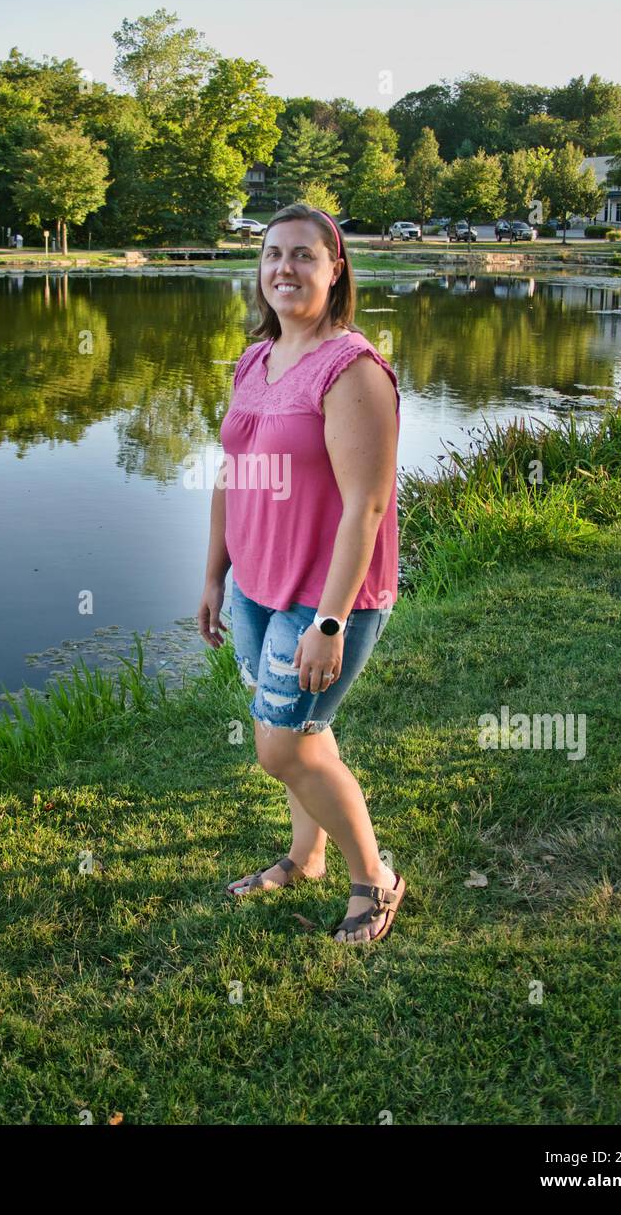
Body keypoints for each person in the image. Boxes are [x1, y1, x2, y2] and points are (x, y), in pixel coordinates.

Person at [198, 202, 405, 947]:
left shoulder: (351, 370)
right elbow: (231, 472)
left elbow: (367, 505)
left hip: (324, 597)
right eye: (271, 255)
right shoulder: (253, 361)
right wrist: (215, 574)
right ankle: (304, 856)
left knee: (281, 746)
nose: (283, 268)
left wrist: (328, 622)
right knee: (307, 732)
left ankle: (373, 880)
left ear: (335, 268)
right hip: (255, 584)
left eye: (302, 256)